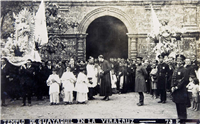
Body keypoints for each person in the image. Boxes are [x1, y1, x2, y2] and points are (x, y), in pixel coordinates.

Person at [171, 54, 187, 119]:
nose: (179, 62)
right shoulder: (176, 69)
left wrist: (177, 87)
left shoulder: (184, 70)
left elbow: (184, 80)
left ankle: (183, 118)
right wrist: (172, 86)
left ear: (183, 62)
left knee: (182, 104)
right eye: (177, 60)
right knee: (177, 103)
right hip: (175, 89)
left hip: (181, 90)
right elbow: (173, 78)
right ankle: (179, 116)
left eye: (180, 61)